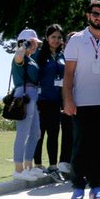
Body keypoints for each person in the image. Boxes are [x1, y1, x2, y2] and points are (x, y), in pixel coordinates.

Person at [62, 0, 100, 199]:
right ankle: (78, 185)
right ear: (88, 15)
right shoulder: (76, 40)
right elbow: (69, 73)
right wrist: (68, 99)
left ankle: (96, 186)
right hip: (81, 101)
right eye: (95, 13)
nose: (99, 17)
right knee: (80, 144)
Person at [32, 24, 69, 182]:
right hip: (40, 101)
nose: (56, 40)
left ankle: (53, 166)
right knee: (39, 134)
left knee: (54, 135)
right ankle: (38, 165)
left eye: (59, 37)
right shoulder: (38, 55)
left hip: (55, 101)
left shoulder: (62, 57)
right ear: (46, 38)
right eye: (53, 37)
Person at [11, 29, 44, 181]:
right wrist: (24, 45)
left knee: (35, 132)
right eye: (32, 43)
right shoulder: (21, 56)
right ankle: (18, 169)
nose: (35, 45)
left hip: (32, 95)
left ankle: (28, 166)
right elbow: (18, 56)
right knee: (23, 132)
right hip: (24, 94)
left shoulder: (31, 59)